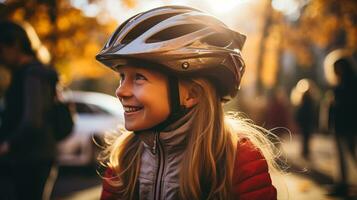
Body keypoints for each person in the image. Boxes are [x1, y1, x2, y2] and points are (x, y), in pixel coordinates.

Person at [96, 6, 279, 200]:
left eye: (139, 77)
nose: (120, 91)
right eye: (122, 76)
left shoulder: (239, 161)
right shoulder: (124, 159)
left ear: (191, 94)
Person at [0, 21, 58, 200]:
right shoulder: (37, 72)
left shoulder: (32, 74)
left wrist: (7, 144)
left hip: (31, 159)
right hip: (36, 156)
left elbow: (32, 120)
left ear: (15, 45)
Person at [328, 55, 357, 197]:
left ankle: (343, 184)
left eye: (338, 68)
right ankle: (341, 184)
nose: (336, 71)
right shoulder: (338, 85)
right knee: (341, 157)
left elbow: (348, 106)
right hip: (340, 126)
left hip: (349, 125)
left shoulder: (351, 84)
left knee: (352, 154)